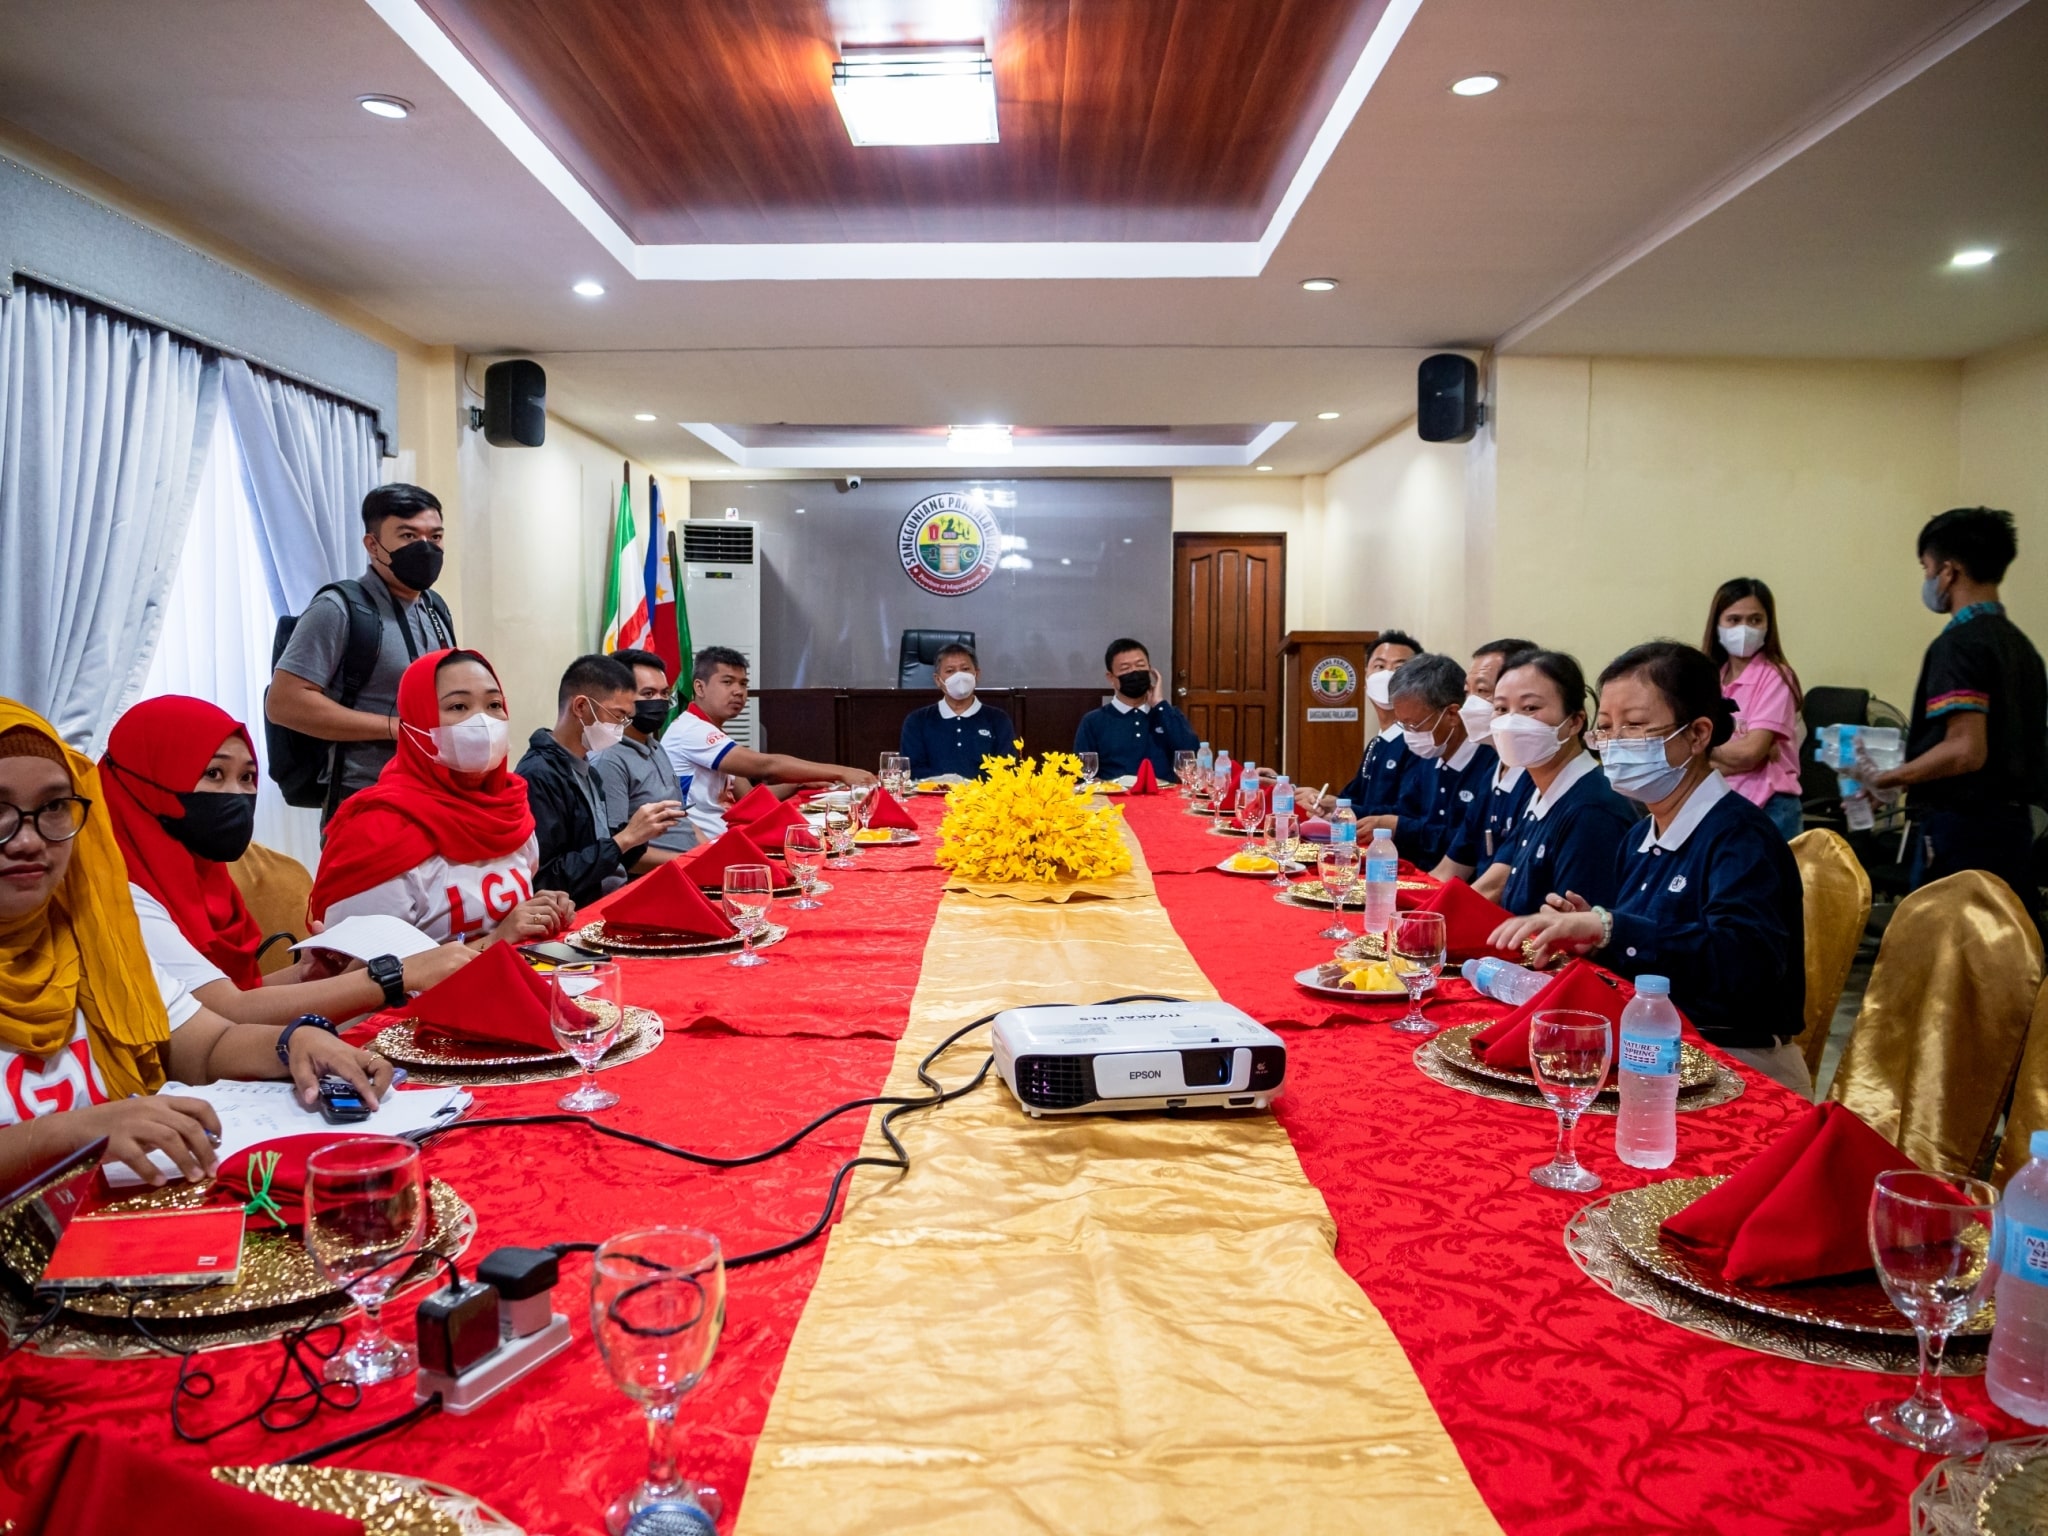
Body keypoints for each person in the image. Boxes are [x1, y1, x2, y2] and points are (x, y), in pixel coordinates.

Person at [0, 701, 390, 1186]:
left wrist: (295, 1040)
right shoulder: (117, 902)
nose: (28, 839)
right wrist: (75, 1134)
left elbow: (206, 1043)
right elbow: (232, 1005)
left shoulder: (90, 922)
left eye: (55, 807)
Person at [1492, 642, 1809, 1095]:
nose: (1616, 743)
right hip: (1655, 1049)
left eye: (1635, 726)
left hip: (1736, 1063)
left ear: (1698, 734)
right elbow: (1646, 955)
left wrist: (1613, 928)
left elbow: (1744, 965)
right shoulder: (1639, 836)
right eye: (1607, 728)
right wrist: (1593, 937)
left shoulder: (1740, 836)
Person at [103, 695, 473, 1026]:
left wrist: (304, 977)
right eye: (214, 774)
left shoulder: (201, 876)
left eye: (247, 777)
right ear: (148, 778)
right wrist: (394, 975)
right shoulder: (119, 895)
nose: (236, 795)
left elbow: (231, 993)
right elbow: (226, 1013)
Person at [313, 649, 575, 945]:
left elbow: (500, 913)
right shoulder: (376, 831)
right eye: (459, 706)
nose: (483, 722)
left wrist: (536, 908)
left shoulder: (510, 808)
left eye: (493, 704)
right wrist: (495, 941)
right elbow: (363, 977)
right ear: (416, 722)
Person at [1868, 507, 2047, 899]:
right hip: (2015, 833)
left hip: (1964, 835)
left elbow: (1966, 751)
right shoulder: (2023, 649)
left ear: (1948, 571)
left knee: (1948, 953)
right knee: (2003, 951)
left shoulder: (1959, 645)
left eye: (1926, 568)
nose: (1928, 580)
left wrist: (1889, 777)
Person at [268, 484, 457, 822]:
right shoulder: (339, 608)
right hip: (365, 802)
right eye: (409, 536)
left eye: (436, 537)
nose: (426, 548)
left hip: (434, 795)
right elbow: (284, 703)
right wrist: (392, 727)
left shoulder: (434, 609)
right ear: (373, 545)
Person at [519, 654, 686, 908]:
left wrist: (641, 834)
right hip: (577, 910)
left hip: (611, 896)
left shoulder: (586, 770)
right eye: (618, 715)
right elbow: (547, 878)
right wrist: (626, 838)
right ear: (581, 707)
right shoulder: (539, 775)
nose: (622, 726)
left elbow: (603, 851)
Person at [1476, 650, 1636, 913]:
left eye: (1530, 708)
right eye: (1501, 709)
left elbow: (1577, 934)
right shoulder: (1541, 791)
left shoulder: (1591, 809)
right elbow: (1496, 883)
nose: (1511, 722)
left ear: (1574, 722)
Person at [664, 647, 875, 841]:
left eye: (743, 684)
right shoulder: (692, 730)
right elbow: (766, 765)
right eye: (727, 682)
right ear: (699, 688)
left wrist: (798, 783)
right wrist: (840, 772)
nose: (738, 691)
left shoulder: (711, 730)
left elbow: (747, 799)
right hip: (707, 844)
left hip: (728, 835)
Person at [1359, 654, 1497, 868]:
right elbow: (1404, 811)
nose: (1408, 735)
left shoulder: (1490, 765)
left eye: (1413, 725)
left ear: (1452, 714)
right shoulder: (1428, 756)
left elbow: (1469, 844)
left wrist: (1401, 828)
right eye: (1401, 724)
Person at [1703, 578, 1805, 840]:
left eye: (1755, 620)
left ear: (1768, 625)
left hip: (1770, 808)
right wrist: (1735, 756)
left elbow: (1750, 752)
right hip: (1720, 801)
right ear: (1717, 625)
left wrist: (1701, 747)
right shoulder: (1710, 678)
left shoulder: (1776, 676)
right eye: (1734, 620)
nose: (1745, 629)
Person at [1436, 637, 1539, 882]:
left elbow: (1496, 886)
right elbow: (1450, 868)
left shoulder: (1538, 778)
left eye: (1482, 691)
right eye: (1467, 692)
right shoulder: (1493, 771)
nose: (1470, 705)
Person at [592, 648, 699, 872]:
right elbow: (617, 851)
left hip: (689, 867)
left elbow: (682, 820)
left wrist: (713, 851)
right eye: (648, 694)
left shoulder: (656, 747)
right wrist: (691, 864)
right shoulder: (608, 759)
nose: (659, 702)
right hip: (656, 879)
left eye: (664, 694)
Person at [1322, 630, 1424, 817]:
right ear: (1366, 680)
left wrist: (1344, 809)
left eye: (1400, 668)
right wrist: (1314, 797)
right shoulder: (1376, 743)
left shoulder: (1420, 743)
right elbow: (1351, 798)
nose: (1388, 675)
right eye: (1379, 666)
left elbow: (1405, 813)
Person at [1073, 638, 1200, 782]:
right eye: (1125, 669)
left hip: (1163, 798)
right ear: (1111, 677)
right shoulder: (1093, 721)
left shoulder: (1168, 714)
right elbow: (1082, 773)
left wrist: (1159, 704)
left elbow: (1192, 753)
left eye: (1140, 666)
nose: (1134, 672)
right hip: (1113, 799)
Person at [899, 643, 1016, 780]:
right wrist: (945, 782)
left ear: (976, 675)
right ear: (938, 680)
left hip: (982, 798)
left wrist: (967, 784)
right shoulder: (917, 720)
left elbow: (1007, 769)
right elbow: (912, 770)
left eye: (965, 669)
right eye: (950, 671)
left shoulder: (998, 719)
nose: (959, 676)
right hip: (931, 798)